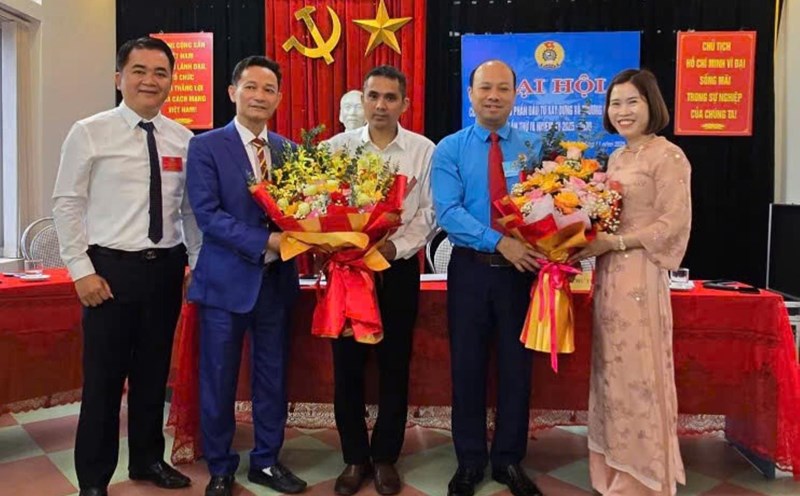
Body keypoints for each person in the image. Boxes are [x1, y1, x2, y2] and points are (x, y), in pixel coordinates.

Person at [52, 36, 200, 496]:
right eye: (139, 70)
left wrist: (194, 261)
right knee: (103, 380)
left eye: (160, 72)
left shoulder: (184, 138)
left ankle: (147, 461)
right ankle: (93, 480)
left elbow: (189, 212)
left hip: (165, 270)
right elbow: (67, 204)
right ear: (119, 77)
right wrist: (81, 269)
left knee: (154, 374)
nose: (149, 80)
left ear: (172, 82)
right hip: (109, 272)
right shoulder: (90, 131)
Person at [185, 56, 305, 496]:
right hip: (224, 284)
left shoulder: (290, 150)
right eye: (251, 86)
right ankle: (220, 465)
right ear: (232, 92)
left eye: (269, 88)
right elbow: (208, 215)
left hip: (276, 285)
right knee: (219, 376)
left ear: (278, 98)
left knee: (273, 377)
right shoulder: (206, 147)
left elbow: (303, 212)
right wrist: (266, 243)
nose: (260, 96)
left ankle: (267, 461)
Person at [568, 68, 691, 495]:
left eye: (631, 102)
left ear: (651, 104)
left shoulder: (668, 155)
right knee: (611, 373)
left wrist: (615, 242)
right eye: (615, 103)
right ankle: (614, 467)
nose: (622, 111)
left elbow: (673, 223)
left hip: (640, 273)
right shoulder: (617, 157)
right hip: (608, 276)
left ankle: (644, 477)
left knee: (640, 373)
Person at [431, 59, 544, 496]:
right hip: (471, 272)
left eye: (503, 88)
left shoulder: (533, 148)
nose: (493, 95)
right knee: (468, 368)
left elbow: (547, 203)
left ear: (516, 95)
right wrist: (500, 242)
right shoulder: (450, 149)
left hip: (522, 274)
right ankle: (470, 461)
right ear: (470, 93)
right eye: (485, 88)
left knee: (518, 370)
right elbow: (449, 212)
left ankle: (509, 461)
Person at [325, 65, 436, 496]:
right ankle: (354, 457)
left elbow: (428, 214)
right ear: (363, 98)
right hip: (348, 271)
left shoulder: (423, 151)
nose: (381, 105)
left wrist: (392, 249)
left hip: (397, 268)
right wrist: (344, 246)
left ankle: (386, 455)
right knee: (347, 367)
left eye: (391, 98)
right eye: (374, 96)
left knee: (394, 365)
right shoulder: (337, 150)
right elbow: (318, 204)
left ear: (405, 104)